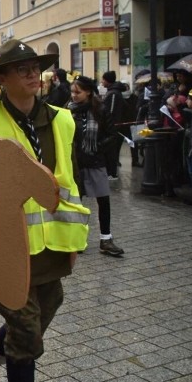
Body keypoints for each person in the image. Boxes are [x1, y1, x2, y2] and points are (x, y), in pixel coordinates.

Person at [0, 39, 89, 382]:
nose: (33, 74)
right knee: (28, 333)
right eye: (22, 68)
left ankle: (0, 352)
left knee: (46, 310)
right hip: (6, 251)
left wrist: (75, 245)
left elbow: (71, 183)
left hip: (53, 247)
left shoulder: (62, 120)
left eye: (36, 67)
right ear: (2, 78)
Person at [69, 76, 124, 257]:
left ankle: (106, 239)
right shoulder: (67, 111)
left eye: (78, 92)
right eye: (72, 92)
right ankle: (78, 239)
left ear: (89, 92)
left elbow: (111, 135)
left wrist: (96, 147)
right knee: (76, 203)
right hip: (75, 163)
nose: (74, 95)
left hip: (95, 161)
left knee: (103, 200)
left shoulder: (100, 109)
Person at [101, 71, 126, 181]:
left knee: (111, 151)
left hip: (112, 127)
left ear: (107, 80)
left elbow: (110, 111)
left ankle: (112, 173)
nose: (102, 82)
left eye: (103, 79)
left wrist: (107, 123)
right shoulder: (112, 92)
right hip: (111, 126)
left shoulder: (113, 94)